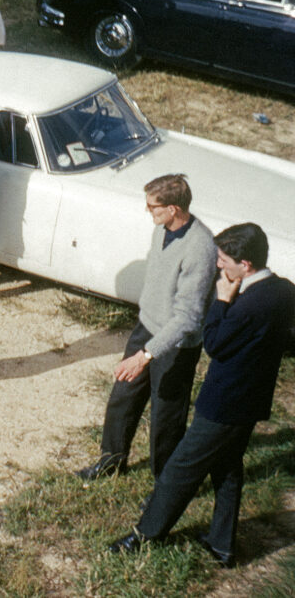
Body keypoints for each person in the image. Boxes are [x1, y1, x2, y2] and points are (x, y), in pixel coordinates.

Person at [109, 223, 295, 567]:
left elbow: (214, 343)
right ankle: (222, 544)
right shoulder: (284, 290)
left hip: (224, 403)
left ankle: (145, 534)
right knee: (227, 470)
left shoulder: (244, 306)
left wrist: (222, 303)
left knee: (180, 469)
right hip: (253, 401)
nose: (218, 266)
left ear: (246, 265)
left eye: (224, 260)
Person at [76, 174, 218, 481]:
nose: (147, 211)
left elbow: (188, 318)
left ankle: (164, 485)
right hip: (147, 327)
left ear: (174, 209)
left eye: (153, 207)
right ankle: (112, 461)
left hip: (176, 345)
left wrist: (145, 356)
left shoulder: (200, 248)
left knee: (165, 418)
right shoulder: (161, 229)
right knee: (123, 397)